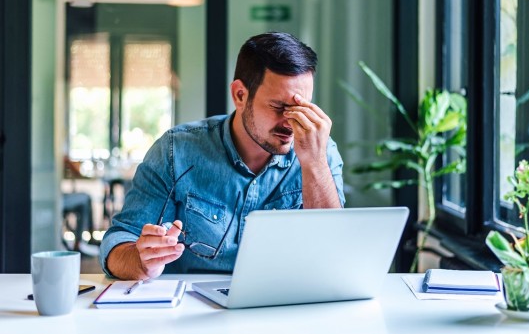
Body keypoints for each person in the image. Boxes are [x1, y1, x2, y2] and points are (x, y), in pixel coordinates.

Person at [99, 32, 345, 280]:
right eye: (279, 107)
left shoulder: (321, 151)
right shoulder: (176, 151)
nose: (291, 123)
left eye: (302, 108)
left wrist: (314, 164)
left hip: (284, 306)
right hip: (193, 311)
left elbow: (336, 252)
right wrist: (141, 261)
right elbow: (118, 243)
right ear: (240, 95)